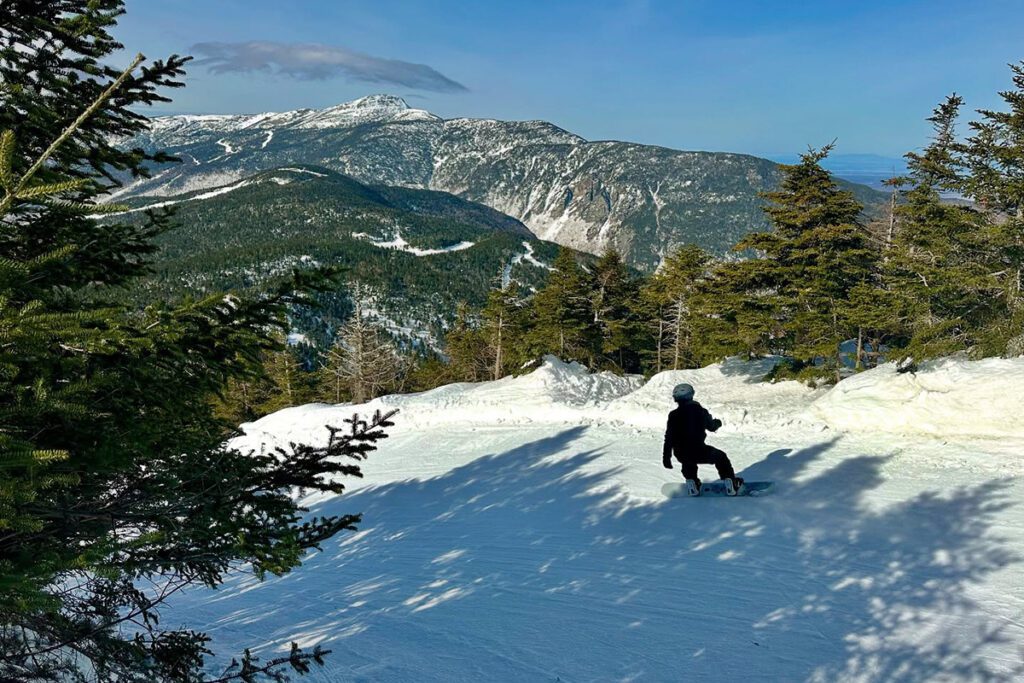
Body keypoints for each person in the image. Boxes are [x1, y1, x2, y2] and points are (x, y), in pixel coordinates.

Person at [662, 382, 743, 495]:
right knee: (721, 457)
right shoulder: (700, 411)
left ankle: (692, 482)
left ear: (676, 398)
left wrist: (666, 457)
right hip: (698, 450)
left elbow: (669, 437)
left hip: (680, 453)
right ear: (691, 395)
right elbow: (711, 427)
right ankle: (731, 482)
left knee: (687, 460)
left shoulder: (673, 415)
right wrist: (718, 423)